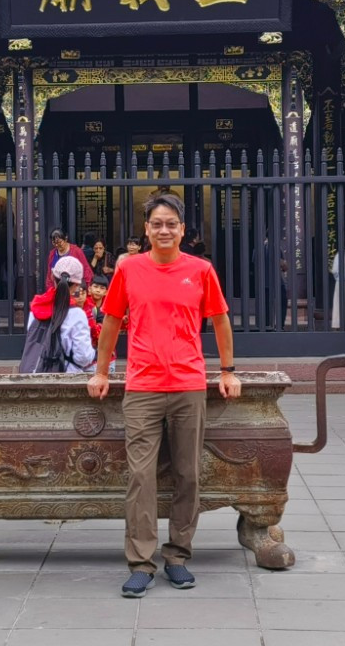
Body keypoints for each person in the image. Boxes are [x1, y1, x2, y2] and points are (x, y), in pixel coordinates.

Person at [90, 193, 238, 599]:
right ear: (147, 229)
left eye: (171, 223)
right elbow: (112, 323)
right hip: (142, 385)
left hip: (189, 383)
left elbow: (221, 321)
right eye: (157, 223)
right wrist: (101, 372)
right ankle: (141, 562)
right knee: (141, 476)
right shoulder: (129, 270)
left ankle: (178, 555)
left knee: (188, 472)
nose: (164, 230)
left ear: (182, 229)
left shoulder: (201, 271)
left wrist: (227, 371)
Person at [18, 261, 97, 374]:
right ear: (76, 285)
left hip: (33, 375)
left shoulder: (36, 308)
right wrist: (94, 354)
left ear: (52, 277)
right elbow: (83, 357)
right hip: (66, 379)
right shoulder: (77, 314)